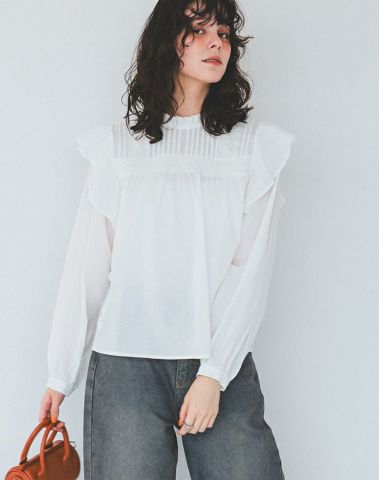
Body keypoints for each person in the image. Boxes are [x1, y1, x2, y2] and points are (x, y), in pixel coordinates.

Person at [38, 0, 295, 478]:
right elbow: (88, 267)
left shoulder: (254, 150)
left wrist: (213, 374)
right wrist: (61, 373)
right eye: (199, 29)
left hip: (219, 361)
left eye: (224, 33)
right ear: (166, 41)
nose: (216, 42)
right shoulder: (117, 148)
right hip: (125, 367)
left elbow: (250, 271)